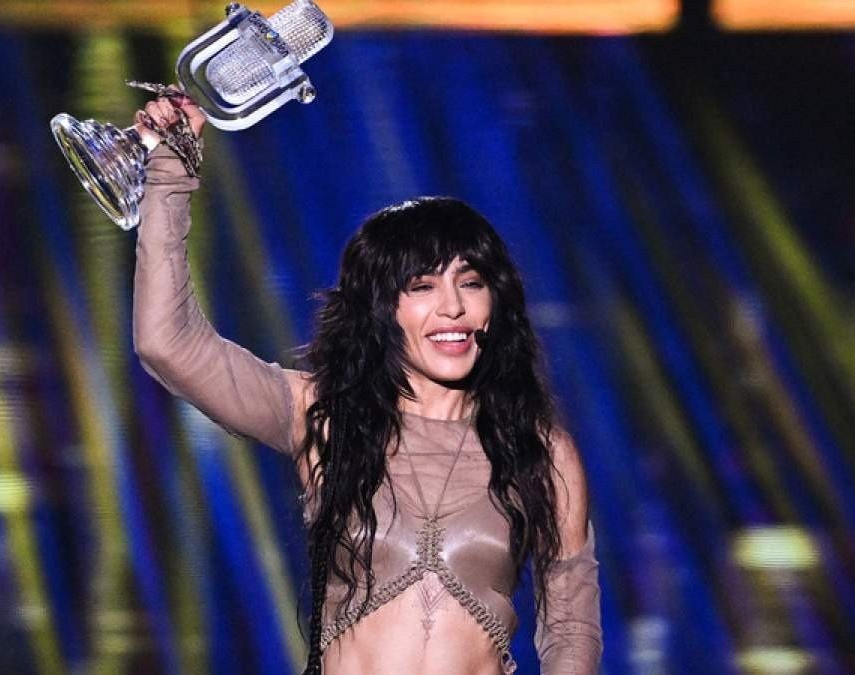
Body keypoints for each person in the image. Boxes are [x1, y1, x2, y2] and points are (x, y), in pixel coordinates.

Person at [130, 95, 602, 674]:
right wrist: (170, 173)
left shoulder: (541, 450)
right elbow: (167, 343)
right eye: (422, 287)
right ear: (381, 308)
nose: (452, 307)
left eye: (471, 282)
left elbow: (572, 629)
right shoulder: (322, 415)